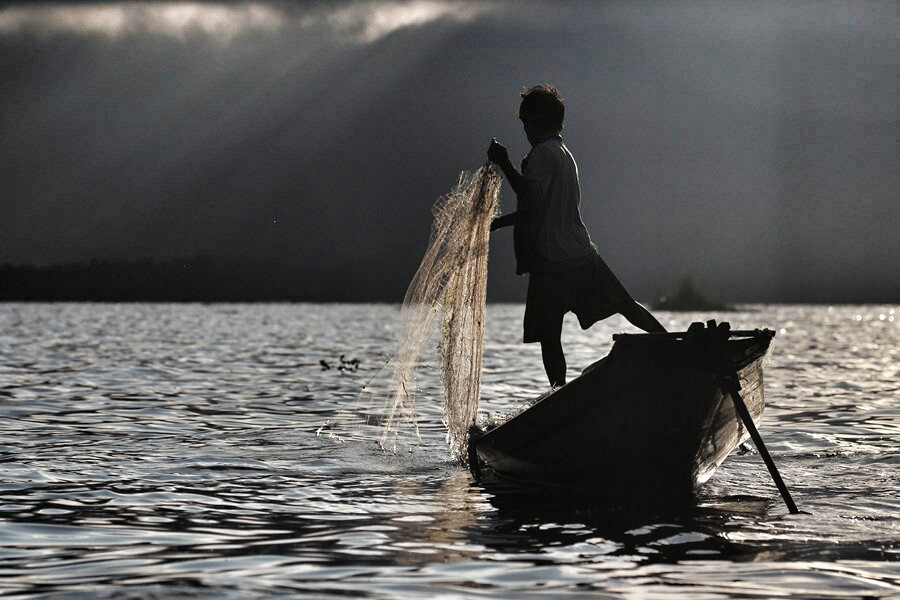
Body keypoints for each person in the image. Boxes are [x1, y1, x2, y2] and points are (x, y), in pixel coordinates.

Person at [487, 84, 666, 388]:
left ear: (536, 122)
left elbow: (531, 199)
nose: (525, 130)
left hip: (553, 262)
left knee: (549, 336)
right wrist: (497, 223)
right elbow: (542, 210)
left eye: (526, 123)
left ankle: (558, 393)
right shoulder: (562, 153)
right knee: (626, 305)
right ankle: (674, 346)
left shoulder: (543, 154)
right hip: (580, 254)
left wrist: (504, 163)